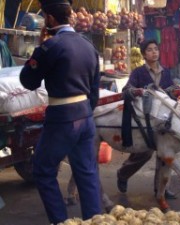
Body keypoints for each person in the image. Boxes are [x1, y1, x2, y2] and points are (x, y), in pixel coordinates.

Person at [19, 0, 102, 223]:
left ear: (50, 19)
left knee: (43, 170)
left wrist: (39, 47)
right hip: (85, 116)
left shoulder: (50, 46)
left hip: (62, 119)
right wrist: (84, 110)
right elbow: (94, 90)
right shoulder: (88, 46)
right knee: (87, 173)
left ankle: (60, 221)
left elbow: (28, 81)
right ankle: (96, 221)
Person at [117, 39, 178, 200]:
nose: (154, 52)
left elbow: (171, 91)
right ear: (144, 54)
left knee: (165, 154)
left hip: (163, 119)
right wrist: (134, 91)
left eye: (156, 49)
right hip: (143, 120)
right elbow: (127, 89)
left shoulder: (166, 72)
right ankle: (123, 174)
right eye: (150, 50)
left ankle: (161, 190)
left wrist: (174, 90)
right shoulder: (138, 72)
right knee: (144, 153)